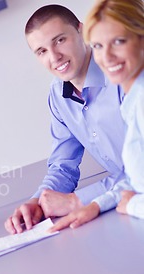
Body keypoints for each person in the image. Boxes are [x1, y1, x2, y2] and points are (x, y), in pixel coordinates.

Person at [4, 4, 127, 234]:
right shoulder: (58, 95)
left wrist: (76, 201)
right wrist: (39, 202)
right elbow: (63, 165)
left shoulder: (122, 75)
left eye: (60, 40)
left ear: (82, 31)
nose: (54, 56)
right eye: (41, 51)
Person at [51, 0, 144, 230]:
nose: (106, 57)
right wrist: (97, 204)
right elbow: (136, 182)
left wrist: (132, 206)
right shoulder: (133, 99)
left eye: (119, 42)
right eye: (99, 46)